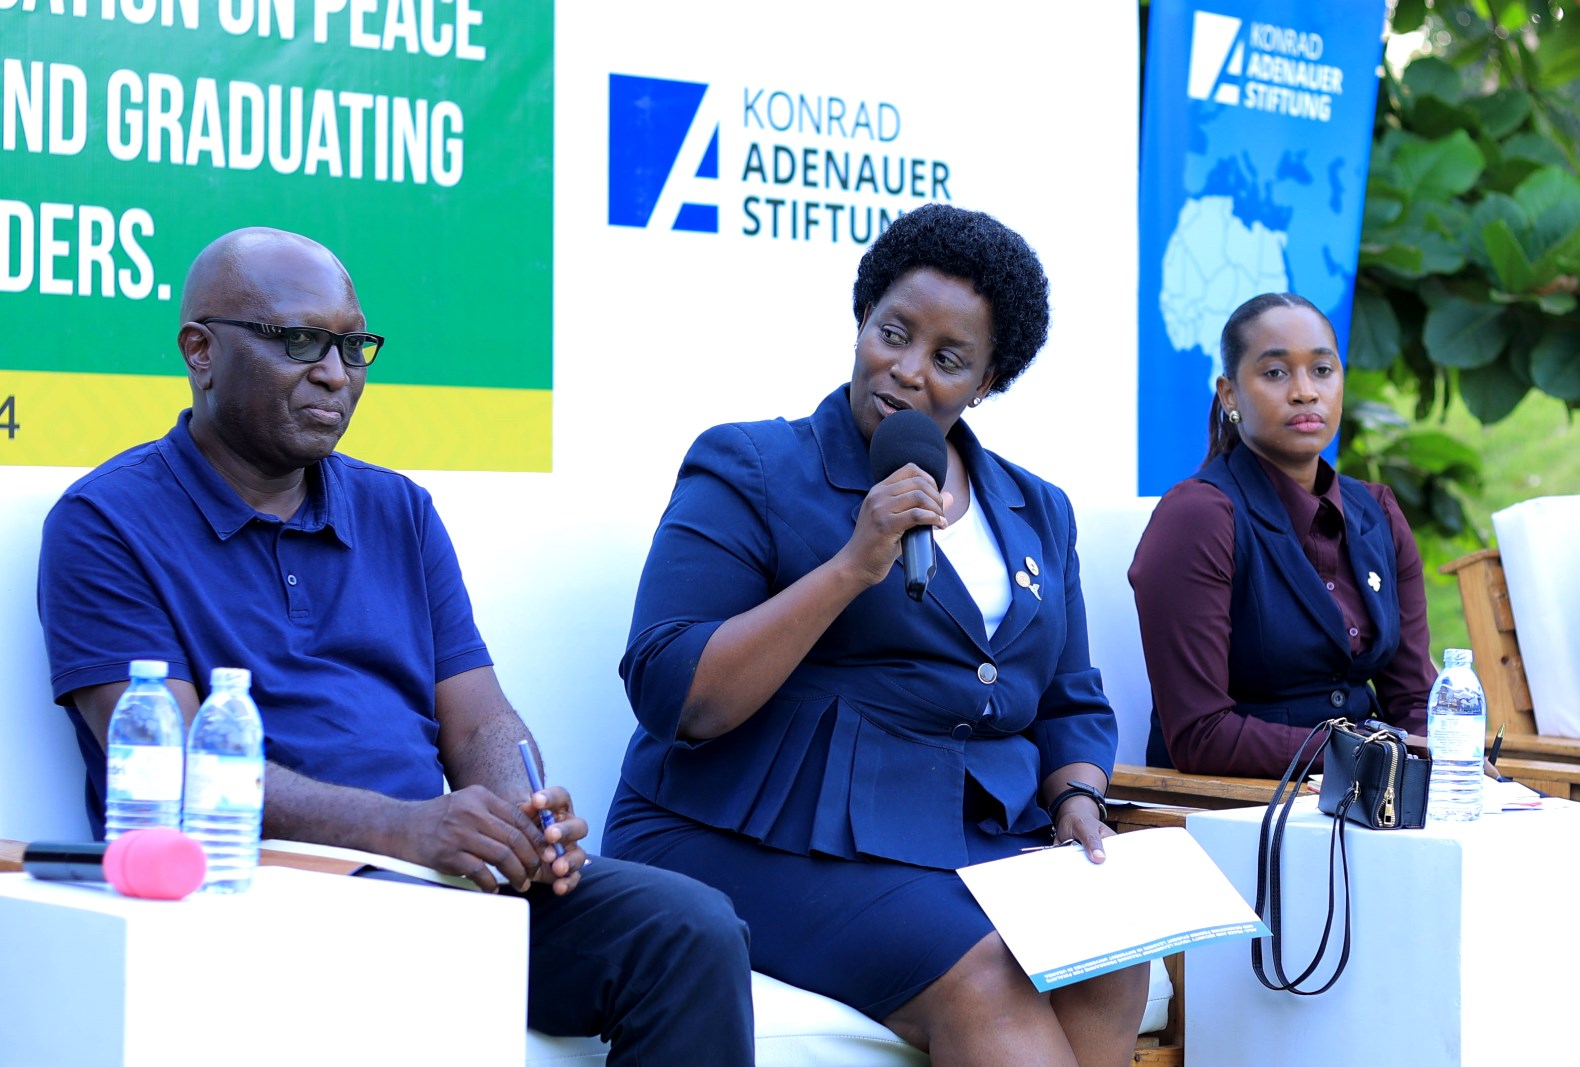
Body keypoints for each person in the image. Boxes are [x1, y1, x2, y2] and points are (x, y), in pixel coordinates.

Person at [37, 227, 755, 1066]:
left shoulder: (398, 510)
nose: (337, 374)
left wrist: (518, 820)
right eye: (299, 341)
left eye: (353, 346)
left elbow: (480, 715)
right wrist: (405, 829)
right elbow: (183, 766)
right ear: (200, 350)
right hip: (256, 893)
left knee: (690, 928)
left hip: (438, 880)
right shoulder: (105, 524)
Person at [604, 204, 1150, 1066]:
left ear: (989, 379)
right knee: (988, 981)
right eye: (892, 332)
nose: (904, 370)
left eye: (948, 358)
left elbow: (1068, 696)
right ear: (862, 317)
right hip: (741, 834)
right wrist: (852, 564)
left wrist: (1076, 800)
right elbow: (676, 690)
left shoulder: (1037, 508)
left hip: (963, 842)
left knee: (1110, 969)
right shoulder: (751, 466)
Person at [1129, 292, 1436, 777]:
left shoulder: (1376, 512)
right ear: (1229, 394)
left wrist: (1445, 761)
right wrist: (1363, 756)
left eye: (1322, 370)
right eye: (1275, 373)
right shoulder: (1199, 517)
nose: (1304, 392)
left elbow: (1414, 697)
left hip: (1373, 796)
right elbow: (1197, 734)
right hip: (1241, 807)